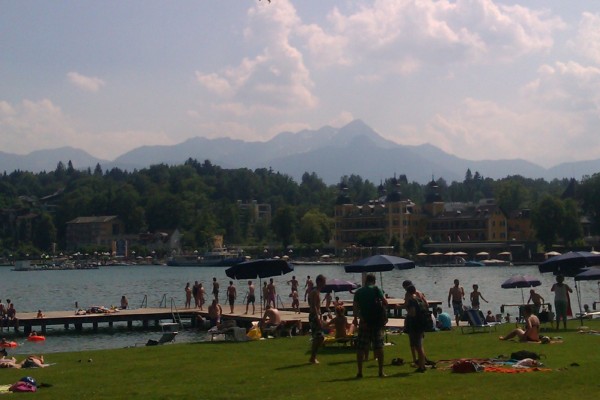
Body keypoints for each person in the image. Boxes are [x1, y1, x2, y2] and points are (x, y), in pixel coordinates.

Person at [352, 273, 387, 378]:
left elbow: (355, 309)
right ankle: (380, 371)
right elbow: (385, 302)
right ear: (374, 281)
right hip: (376, 323)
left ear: (365, 281)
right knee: (379, 347)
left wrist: (359, 319)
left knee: (361, 348)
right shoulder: (376, 289)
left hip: (364, 323)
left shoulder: (358, 292)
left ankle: (360, 372)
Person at [406, 285, 428, 372]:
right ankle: (422, 364)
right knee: (420, 345)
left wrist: (407, 310)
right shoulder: (419, 299)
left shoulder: (412, 300)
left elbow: (412, 313)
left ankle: (421, 366)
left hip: (415, 325)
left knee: (418, 346)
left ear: (408, 293)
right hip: (421, 324)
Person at [308, 274, 326, 364]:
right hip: (314, 316)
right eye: (323, 282)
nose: (324, 284)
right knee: (319, 337)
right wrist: (318, 318)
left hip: (316, 315)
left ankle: (313, 357)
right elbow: (314, 306)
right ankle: (313, 357)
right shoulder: (315, 292)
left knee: (319, 337)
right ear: (319, 282)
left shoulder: (316, 291)